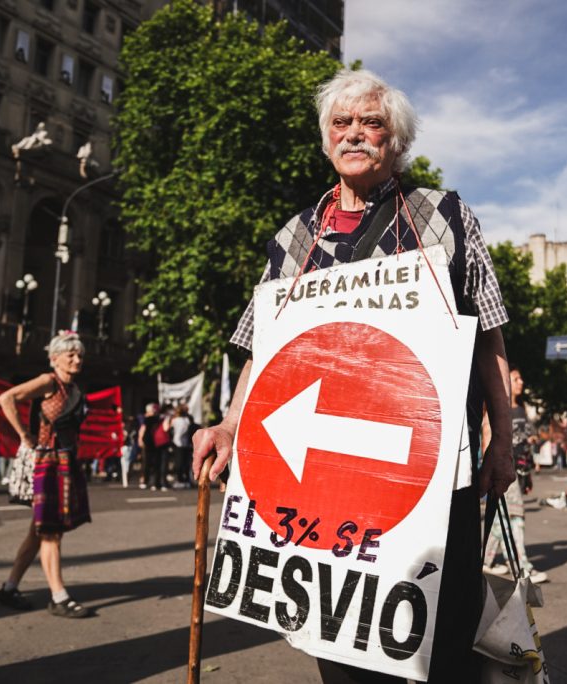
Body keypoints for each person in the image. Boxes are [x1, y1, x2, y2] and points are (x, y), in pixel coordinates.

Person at [192, 68, 514, 683]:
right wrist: (231, 426)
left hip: (431, 477)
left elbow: (490, 337)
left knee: (441, 641)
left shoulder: (445, 217)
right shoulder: (293, 239)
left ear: (398, 141)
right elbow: (264, 349)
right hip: (322, 485)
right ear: (325, 139)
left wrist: (504, 441)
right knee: (337, 636)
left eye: (372, 123)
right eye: (342, 123)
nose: (356, 134)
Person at [0, 331, 92, 618]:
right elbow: (6, 398)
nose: (77, 359)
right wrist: (24, 435)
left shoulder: (72, 387)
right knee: (51, 532)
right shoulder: (49, 381)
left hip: (64, 461)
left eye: (80, 355)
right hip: (48, 463)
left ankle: (9, 588)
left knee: (38, 532)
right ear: (55, 358)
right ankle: (59, 597)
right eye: (70, 354)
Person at [483, 370, 548, 584]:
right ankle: (522, 569)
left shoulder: (521, 409)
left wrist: (528, 474)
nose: (521, 382)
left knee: (500, 520)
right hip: (504, 471)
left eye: (521, 378)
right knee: (515, 517)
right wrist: (491, 472)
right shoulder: (496, 408)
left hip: (520, 472)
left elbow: (525, 444)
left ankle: (485, 560)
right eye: (516, 378)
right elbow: (487, 438)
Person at [165, 403, 195, 489]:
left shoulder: (174, 420)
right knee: (186, 463)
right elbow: (190, 430)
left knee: (178, 463)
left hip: (176, 443)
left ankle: (180, 480)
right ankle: (186, 480)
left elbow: (168, 429)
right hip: (186, 443)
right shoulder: (187, 420)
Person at [137, 403, 165, 490]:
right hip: (156, 442)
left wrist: (140, 439)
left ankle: (145, 481)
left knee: (146, 463)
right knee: (156, 463)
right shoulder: (159, 419)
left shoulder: (147, 419)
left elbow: (142, 430)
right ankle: (155, 483)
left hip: (148, 442)